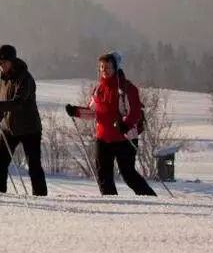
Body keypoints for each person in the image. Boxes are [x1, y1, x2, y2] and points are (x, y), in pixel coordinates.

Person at [65, 52, 156, 196]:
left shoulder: (127, 88)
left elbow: (135, 111)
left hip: (124, 138)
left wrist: (126, 124)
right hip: (103, 138)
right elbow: (92, 112)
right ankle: (110, 202)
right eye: (101, 68)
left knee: (128, 174)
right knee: (103, 174)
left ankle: (150, 199)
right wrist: (75, 111)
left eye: (107, 67)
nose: (104, 71)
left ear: (115, 68)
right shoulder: (98, 89)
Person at [0, 44, 48, 196]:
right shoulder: (4, 79)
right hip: (9, 128)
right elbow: (5, 107)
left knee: (34, 166)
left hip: (29, 128)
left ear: (12, 61)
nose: (1, 67)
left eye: (3, 63)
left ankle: (40, 197)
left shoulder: (25, 78)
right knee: (0, 164)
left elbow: (18, 104)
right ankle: (0, 197)